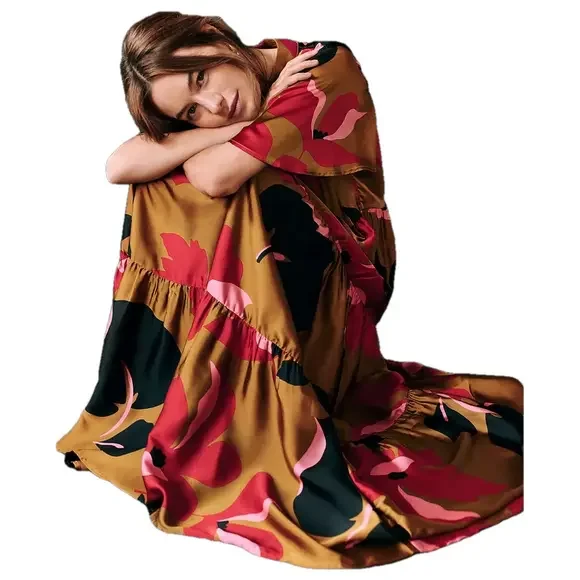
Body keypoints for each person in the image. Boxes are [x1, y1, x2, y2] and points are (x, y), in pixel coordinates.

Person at [56, 11, 524, 569]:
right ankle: (201, 379)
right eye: (190, 112)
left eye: (202, 78)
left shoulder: (321, 66)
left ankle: (250, 386)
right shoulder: (249, 100)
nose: (214, 103)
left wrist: (205, 141)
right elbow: (118, 165)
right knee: (156, 183)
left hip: (338, 265)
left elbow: (213, 176)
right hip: (266, 269)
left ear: (213, 36)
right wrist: (233, 127)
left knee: (222, 181)